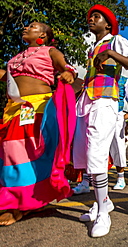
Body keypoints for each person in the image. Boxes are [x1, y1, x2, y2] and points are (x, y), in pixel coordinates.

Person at [72, 4, 128, 237]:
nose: (91, 19)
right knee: (84, 154)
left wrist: (112, 54)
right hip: (87, 100)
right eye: (90, 17)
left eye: (96, 16)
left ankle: (104, 212)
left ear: (108, 23)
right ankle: (101, 202)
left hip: (106, 100)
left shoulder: (116, 41)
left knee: (96, 154)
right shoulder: (93, 47)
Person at [0, 22, 76, 225]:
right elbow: (7, 78)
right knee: (13, 154)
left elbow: (65, 66)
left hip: (38, 107)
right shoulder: (16, 58)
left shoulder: (50, 51)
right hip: (14, 109)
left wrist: (68, 73)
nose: (25, 27)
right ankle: (32, 199)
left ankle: (18, 206)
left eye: (32, 26)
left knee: (24, 155)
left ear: (42, 34)